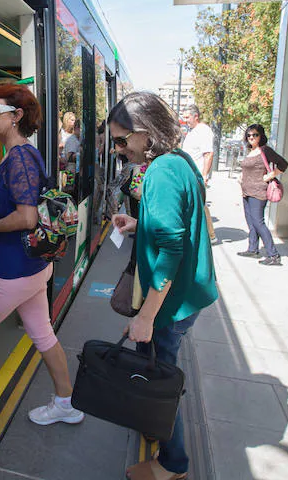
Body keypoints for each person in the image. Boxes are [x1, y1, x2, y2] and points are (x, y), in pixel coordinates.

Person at [0, 84, 84, 426]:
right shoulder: (25, 154)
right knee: (42, 332)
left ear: (16, 117)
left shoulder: (18, 159)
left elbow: (26, 217)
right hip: (32, 268)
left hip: (13, 271)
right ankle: (65, 402)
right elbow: (15, 206)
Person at [109, 92, 218, 480]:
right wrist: (141, 226)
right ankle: (157, 429)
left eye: (122, 141)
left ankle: (174, 463)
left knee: (160, 375)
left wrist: (147, 317)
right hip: (188, 291)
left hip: (172, 301)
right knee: (158, 365)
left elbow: (172, 248)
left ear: (146, 134)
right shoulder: (181, 161)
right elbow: (180, 225)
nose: (119, 150)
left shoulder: (160, 172)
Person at [238, 123, 288, 266]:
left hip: (258, 192)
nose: (251, 137)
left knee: (259, 223)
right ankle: (253, 249)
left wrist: (271, 174)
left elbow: (283, 164)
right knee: (251, 222)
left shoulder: (265, 151)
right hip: (246, 191)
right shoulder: (250, 151)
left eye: (255, 135)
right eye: (249, 135)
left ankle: (273, 255)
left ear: (261, 136)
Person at [181, 104, 216, 242]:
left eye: (187, 117)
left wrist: (204, 175)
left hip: (197, 175)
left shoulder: (203, 131)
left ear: (196, 116)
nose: (185, 120)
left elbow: (208, 154)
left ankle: (211, 235)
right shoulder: (192, 131)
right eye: (184, 118)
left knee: (199, 204)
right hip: (191, 174)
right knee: (197, 204)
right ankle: (208, 234)